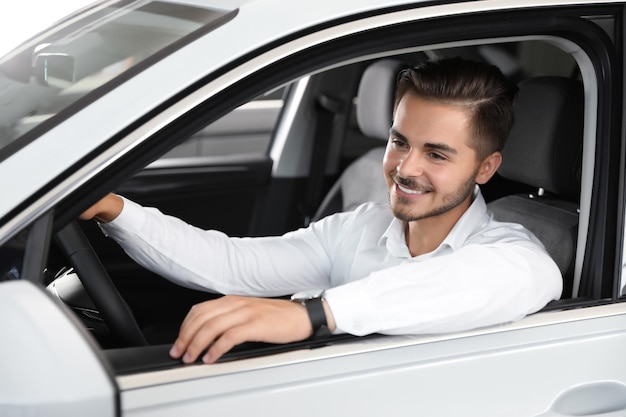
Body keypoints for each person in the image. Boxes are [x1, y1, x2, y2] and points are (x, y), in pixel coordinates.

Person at [80, 57, 563, 364]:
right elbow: (231, 262)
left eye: (437, 154)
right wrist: (114, 209)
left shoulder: (510, 251)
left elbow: (516, 277)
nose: (404, 168)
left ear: (485, 168)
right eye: (399, 142)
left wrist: (312, 315)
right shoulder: (360, 227)